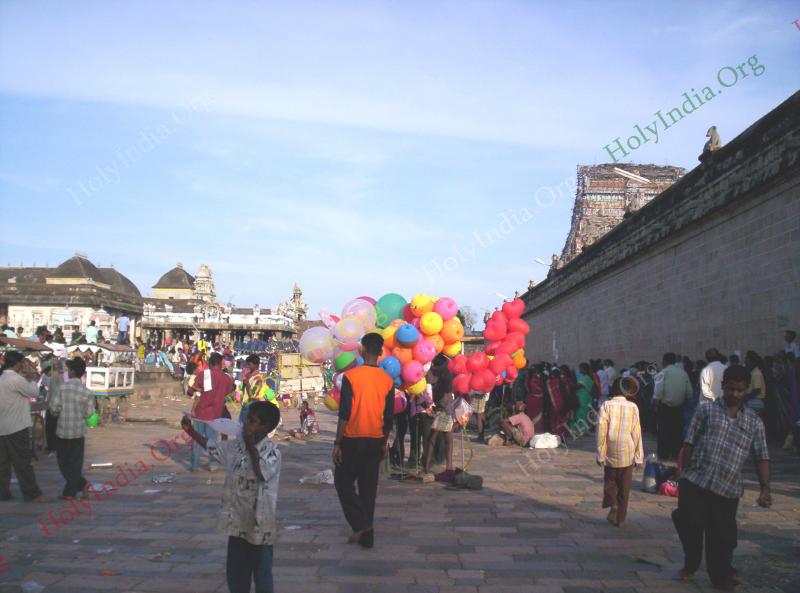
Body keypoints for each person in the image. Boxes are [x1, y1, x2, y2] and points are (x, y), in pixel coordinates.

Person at [672, 365, 771, 591]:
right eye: (731, 389)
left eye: (740, 390)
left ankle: (721, 578)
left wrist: (765, 489)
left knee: (721, 539)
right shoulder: (706, 411)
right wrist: (683, 472)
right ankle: (692, 561)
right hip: (696, 481)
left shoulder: (754, 423)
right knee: (689, 524)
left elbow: (762, 457)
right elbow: (689, 443)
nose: (735, 394)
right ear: (723, 385)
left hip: (727, 490)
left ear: (746, 390)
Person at [181, 402, 281, 593]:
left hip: (260, 525)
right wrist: (190, 431)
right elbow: (213, 447)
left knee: (262, 574)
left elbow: (262, 473)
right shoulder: (236, 446)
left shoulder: (272, 452)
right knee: (236, 574)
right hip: (236, 521)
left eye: (251, 421)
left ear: (265, 427)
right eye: (245, 420)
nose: (245, 425)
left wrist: (251, 445)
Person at [332, 333, 394, 549]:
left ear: (363, 350)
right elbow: (389, 417)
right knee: (368, 489)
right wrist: (385, 442)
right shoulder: (387, 380)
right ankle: (367, 536)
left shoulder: (351, 377)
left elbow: (345, 413)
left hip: (351, 439)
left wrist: (337, 443)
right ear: (380, 352)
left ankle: (361, 524)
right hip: (375, 439)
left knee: (342, 483)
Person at [597, 378, 643, 527]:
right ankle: (621, 518)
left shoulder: (606, 405)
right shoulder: (633, 407)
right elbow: (637, 432)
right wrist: (639, 457)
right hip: (627, 452)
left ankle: (613, 504)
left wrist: (600, 453)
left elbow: (601, 431)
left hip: (611, 450)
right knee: (624, 487)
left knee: (610, 482)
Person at [0, 352, 45, 502]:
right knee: (22, 462)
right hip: (16, 426)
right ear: (18, 364)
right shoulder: (16, 379)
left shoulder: (3, 378)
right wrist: (31, 376)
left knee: (3, 463)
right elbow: (34, 391)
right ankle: (32, 493)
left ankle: (3, 492)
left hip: (3, 426)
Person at [49, 357, 93, 499]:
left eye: (69, 370)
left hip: (62, 431)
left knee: (63, 463)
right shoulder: (86, 392)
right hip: (78, 432)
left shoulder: (62, 388)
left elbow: (54, 408)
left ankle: (70, 492)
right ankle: (80, 485)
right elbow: (89, 413)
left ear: (73, 372)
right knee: (75, 463)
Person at [190, 353, 233, 471]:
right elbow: (228, 392)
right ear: (220, 363)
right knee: (212, 440)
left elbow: (193, 391)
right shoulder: (226, 378)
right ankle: (213, 465)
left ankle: (194, 465)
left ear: (210, 363)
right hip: (215, 414)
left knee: (197, 439)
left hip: (200, 412)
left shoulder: (204, 374)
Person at [422, 355, 456, 481]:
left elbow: (428, 379)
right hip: (448, 408)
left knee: (434, 437)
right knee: (446, 439)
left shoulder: (437, 372)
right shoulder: (447, 371)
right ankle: (448, 467)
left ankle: (429, 467)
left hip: (444, 410)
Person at [654, 353, 693, 460]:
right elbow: (689, 392)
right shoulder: (683, 373)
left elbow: (658, 392)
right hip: (679, 407)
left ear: (665, 361)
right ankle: (676, 452)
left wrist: (657, 403)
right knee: (677, 431)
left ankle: (664, 454)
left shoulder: (663, 373)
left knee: (664, 431)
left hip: (665, 406)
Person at [570, 363, 594, 434]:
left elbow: (577, 386)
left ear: (584, 369)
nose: (579, 370)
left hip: (583, 398)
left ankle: (583, 430)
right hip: (581, 397)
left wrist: (568, 384)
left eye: (580, 368)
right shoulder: (583, 377)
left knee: (582, 414)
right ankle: (579, 429)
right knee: (579, 414)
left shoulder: (586, 377)